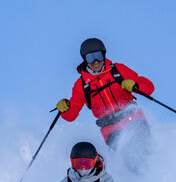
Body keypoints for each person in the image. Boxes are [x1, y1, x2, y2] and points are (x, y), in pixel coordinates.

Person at [56, 38, 155, 173]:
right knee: (130, 156)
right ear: (84, 59)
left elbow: (149, 87)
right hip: (112, 130)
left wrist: (135, 85)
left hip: (134, 119)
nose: (95, 62)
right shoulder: (81, 85)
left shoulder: (118, 70)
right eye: (91, 58)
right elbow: (71, 115)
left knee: (146, 150)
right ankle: (144, 180)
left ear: (104, 54)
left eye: (98, 56)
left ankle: (157, 175)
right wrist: (65, 109)